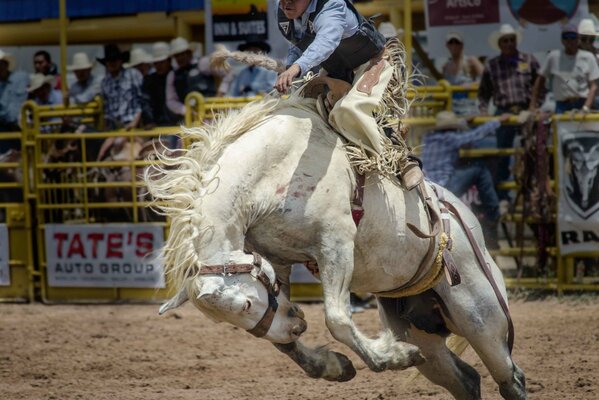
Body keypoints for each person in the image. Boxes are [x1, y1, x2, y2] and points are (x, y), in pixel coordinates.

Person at [275, 0, 422, 189]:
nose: (286, 2)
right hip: (336, 71)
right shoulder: (285, 12)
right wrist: (289, 69)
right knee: (300, 105)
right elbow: (299, 43)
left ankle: (403, 160)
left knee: (350, 109)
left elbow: (325, 43)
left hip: (370, 63)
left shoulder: (332, 7)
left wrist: (295, 68)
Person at [421, 111, 510, 249]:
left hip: (427, 186)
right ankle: (493, 211)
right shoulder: (451, 138)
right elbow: (474, 135)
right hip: (444, 186)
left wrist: (464, 121)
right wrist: (497, 121)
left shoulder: (428, 139)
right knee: (479, 169)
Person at [478, 24, 541, 200]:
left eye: (511, 39)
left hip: (526, 112)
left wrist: (534, 107)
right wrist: (483, 111)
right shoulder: (492, 66)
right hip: (504, 113)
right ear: (499, 44)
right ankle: (503, 197)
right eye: (505, 40)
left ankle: (531, 193)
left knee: (531, 152)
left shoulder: (529, 60)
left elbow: (541, 85)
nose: (509, 43)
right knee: (503, 156)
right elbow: (483, 92)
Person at [530, 23, 599, 114]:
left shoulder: (588, 57)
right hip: (561, 105)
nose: (569, 40)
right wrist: (532, 105)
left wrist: (586, 107)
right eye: (566, 37)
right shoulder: (553, 57)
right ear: (562, 40)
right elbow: (540, 80)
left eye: (572, 37)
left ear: (577, 39)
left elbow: (594, 85)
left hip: (582, 103)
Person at [166, 37, 218, 120]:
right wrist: (185, 110)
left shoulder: (203, 63)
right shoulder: (172, 75)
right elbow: (170, 100)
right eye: (177, 56)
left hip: (211, 114)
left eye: (182, 54)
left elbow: (228, 73)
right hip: (190, 120)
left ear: (189, 53)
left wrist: (221, 94)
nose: (180, 58)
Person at [97, 44, 143, 131]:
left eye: (115, 59)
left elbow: (142, 100)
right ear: (106, 63)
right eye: (109, 60)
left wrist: (134, 123)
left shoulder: (133, 74)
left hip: (133, 124)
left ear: (121, 61)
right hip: (113, 127)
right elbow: (106, 108)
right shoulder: (104, 82)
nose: (112, 63)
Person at [142, 42, 178, 128]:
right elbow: (146, 102)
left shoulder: (179, 76)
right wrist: (149, 121)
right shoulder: (149, 81)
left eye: (161, 62)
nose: (159, 66)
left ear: (169, 61)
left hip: (178, 123)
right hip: (156, 126)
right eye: (156, 63)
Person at [0, 50, 28, 134]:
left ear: (6, 65)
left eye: (0, 64)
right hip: (5, 128)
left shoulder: (22, 77)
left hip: (22, 127)